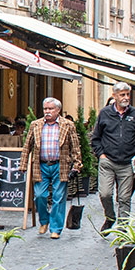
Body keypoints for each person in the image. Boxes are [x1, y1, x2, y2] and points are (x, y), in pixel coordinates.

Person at [90, 82, 135, 232]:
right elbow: (95, 137)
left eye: (127, 94)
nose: (126, 97)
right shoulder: (105, 113)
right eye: (122, 94)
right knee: (105, 194)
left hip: (127, 163)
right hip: (108, 161)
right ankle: (110, 217)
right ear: (114, 96)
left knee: (124, 198)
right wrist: (101, 155)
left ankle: (123, 229)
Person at [18, 97, 79, 239]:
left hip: (60, 165)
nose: (47, 111)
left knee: (58, 197)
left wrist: (77, 165)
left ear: (58, 110)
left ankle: (56, 228)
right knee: (40, 195)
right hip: (41, 165)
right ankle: (44, 221)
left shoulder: (67, 125)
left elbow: (75, 147)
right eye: (45, 109)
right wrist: (23, 164)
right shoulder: (36, 125)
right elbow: (27, 146)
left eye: (50, 109)